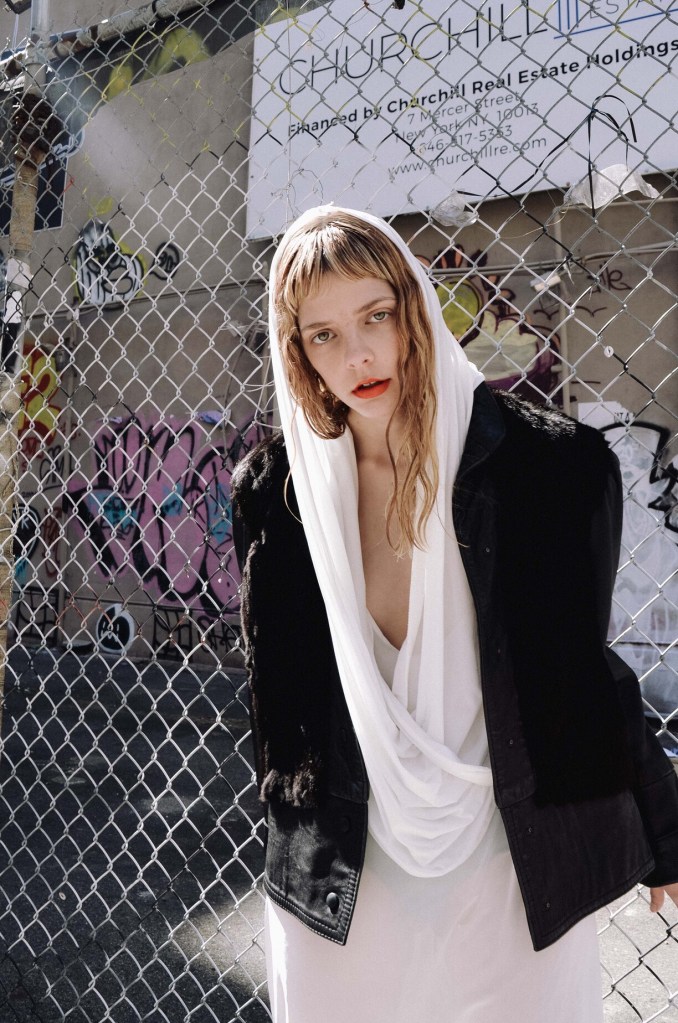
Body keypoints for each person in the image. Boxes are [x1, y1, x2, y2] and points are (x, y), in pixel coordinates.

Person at [231, 206, 678, 1023]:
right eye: (324, 334)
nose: (358, 355)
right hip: (345, 859)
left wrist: (666, 830)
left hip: (512, 853)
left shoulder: (546, 467)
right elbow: (280, 698)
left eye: (376, 315)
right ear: (297, 351)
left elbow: (581, 667)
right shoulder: (276, 494)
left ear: (415, 306)